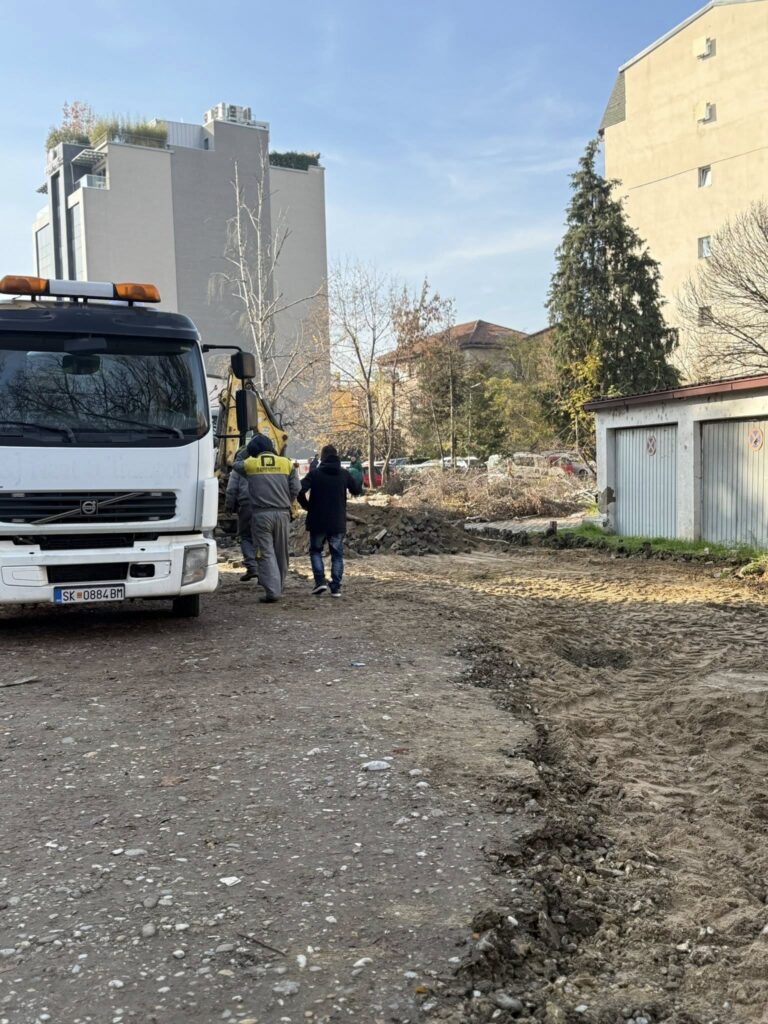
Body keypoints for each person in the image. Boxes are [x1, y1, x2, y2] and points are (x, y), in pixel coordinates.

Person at [233, 434, 301, 603]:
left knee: (265, 552)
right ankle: (279, 586)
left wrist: (245, 451)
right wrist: (286, 500)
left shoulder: (251, 464)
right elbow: (296, 488)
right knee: (281, 552)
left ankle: (272, 591)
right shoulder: (286, 463)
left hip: (261, 515)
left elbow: (235, 464)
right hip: (283, 513)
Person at [298, 444, 362, 597]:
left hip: (317, 520)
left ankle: (320, 582)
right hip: (337, 521)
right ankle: (336, 587)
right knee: (337, 554)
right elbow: (356, 490)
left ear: (322, 457)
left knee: (315, 551)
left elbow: (299, 490)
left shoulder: (315, 474)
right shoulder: (344, 474)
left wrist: (307, 506)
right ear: (337, 456)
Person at [224, 447, 258, 581]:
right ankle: (263, 570)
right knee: (262, 537)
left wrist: (229, 506)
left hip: (246, 506)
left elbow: (231, 489)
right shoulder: (261, 465)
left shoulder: (239, 468)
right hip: (264, 505)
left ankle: (252, 567)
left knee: (246, 537)